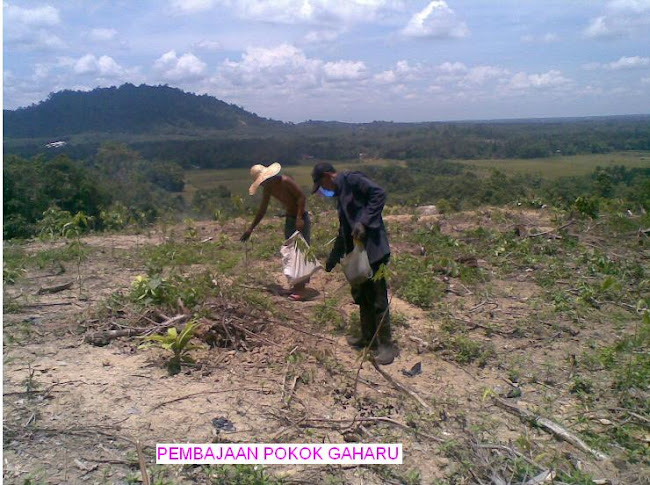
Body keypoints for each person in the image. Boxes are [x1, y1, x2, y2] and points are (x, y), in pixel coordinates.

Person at [311, 162, 396, 365]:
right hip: (359, 255)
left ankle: (386, 345)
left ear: (327, 177)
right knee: (363, 297)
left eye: (323, 185)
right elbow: (344, 230)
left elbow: (379, 194)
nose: (325, 190)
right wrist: (334, 257)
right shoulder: (341, 196)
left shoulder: (353, 180)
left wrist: (364, 222)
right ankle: (368, 339)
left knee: (377, 299)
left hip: (374, 250)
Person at [241, 162, 311, 301]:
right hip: (290, 219)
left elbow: (301, 197)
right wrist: (251, 228)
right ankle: (297, 285)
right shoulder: (268, 189)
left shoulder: (285, 181)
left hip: (300, 217)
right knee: (291, 252)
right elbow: (262, 210)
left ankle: (301, 290)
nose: (261, 185)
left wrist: (299, 218)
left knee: (300, 252)